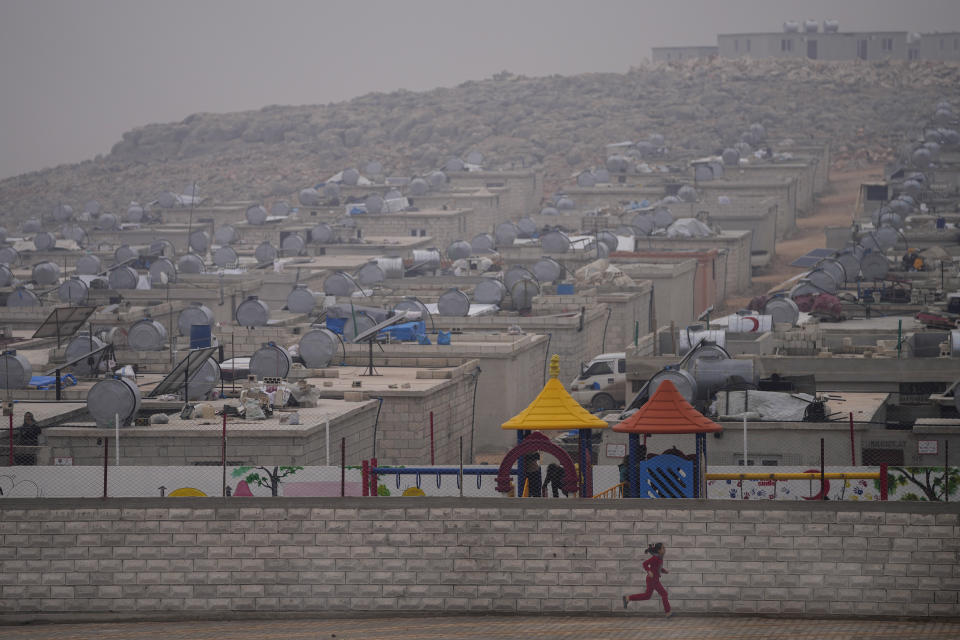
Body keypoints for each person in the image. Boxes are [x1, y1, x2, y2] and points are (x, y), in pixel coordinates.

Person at [623, 542, 672, 617]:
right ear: (659, 550)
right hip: (653, 580)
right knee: (664, 594)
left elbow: (657, 567)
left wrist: (664, 571)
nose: (665, 549)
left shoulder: (659, 557)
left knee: (647, 596)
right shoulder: (655, 557)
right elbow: (645, 563)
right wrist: (649, 571)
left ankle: (628, 598)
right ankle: (668, 612)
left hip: (653, 579)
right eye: (663, 548)